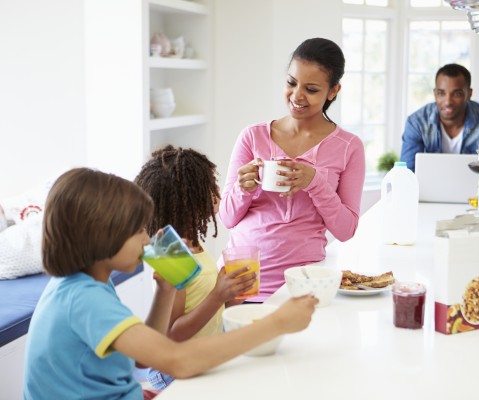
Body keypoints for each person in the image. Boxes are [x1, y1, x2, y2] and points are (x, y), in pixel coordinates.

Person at [23, 167, 318, 400]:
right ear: (101, 235)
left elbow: (141, 359)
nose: (147, 239)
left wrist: (167, 289)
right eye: (138, 229)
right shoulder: (85, 300)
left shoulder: (82, 285)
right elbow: (176, 361)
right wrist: (277, 323)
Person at [219, 37, 366, 301]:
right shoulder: (252, 137)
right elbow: (228, 218)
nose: (297, 96)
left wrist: (315, 183)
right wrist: (244, 188)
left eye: (311, 89)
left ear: (333, 91)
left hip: (300, 287)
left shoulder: (349, 147)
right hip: (240, 282)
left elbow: (346, 231)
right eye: (291, 83)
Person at [134, 145, 256, 390]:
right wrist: (217, 296)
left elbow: (202, 303)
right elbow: (172, 334)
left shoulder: (193, 244)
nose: (217, 191)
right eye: (208, 187)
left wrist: (231, 297)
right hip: (174, 372)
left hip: (199, 359)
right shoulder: (172, 254)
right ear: (186, 202)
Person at [400, 63, 479, 196]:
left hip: (474, 204)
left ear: (469, 94)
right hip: (428, 202)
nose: (448, 101)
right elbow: (406, 177)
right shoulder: (417, 123)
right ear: (435, 94)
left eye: (456, 94)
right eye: (441, 93)